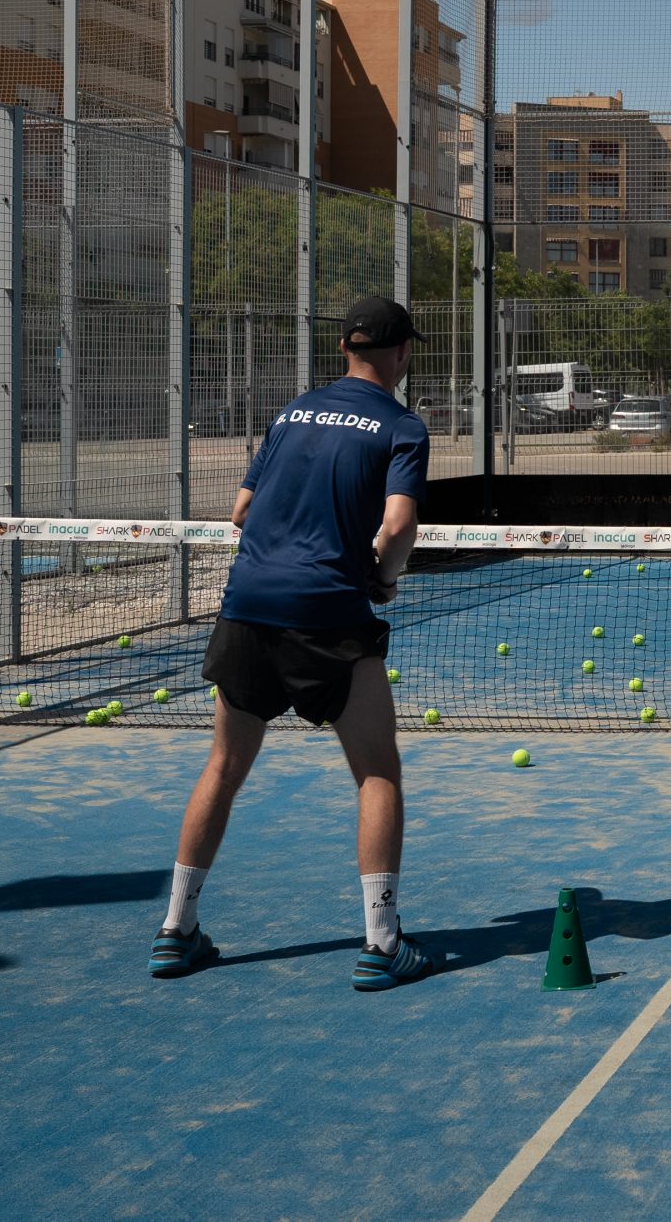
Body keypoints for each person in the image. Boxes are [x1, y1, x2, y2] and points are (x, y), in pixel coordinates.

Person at [150, 296, 438, 989]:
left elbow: (242, 511)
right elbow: (398, 527)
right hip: (327, 612)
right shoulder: (402, 425)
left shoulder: (292, 412)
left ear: (346, 348)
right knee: (377, 771)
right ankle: (382, 941)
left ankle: (175, 929)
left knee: (223, 763)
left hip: (247, 605)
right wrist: (381, 578)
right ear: (400, 354)